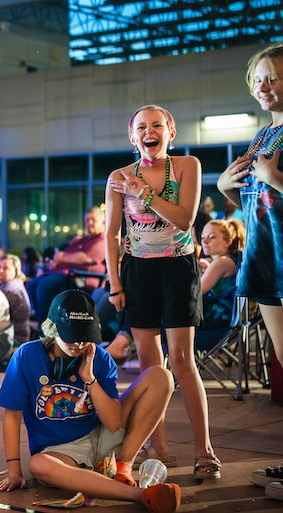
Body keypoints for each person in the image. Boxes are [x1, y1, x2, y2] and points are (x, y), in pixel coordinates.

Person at [105, 104, 220, 481]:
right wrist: (115, 284)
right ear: (132, 136)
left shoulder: (187, 165)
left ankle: (204, 450)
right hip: (137, 272)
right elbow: (111, 234)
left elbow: (185, 218)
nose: (149, 131)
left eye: (157, 125)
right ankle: (157, 446)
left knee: (183, 362)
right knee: (152, 368)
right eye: (141, 126)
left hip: (177, 268)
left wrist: (144, 193)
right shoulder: (119, 176)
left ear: (171, 132)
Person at [0, 290, 181, 513]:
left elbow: (113, 423)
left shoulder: (99, 358)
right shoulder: (27, 356)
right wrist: (14, 471)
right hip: (61, 451)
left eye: (86, 336)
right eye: (71, 336)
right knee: (38, 465)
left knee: (160, 376)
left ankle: (123, 466)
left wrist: (89, 379)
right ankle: (140, 495)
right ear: (52, 329)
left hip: (103, 434)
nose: (79, 344)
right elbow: (12, 417)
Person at [216, 44, 283, 499]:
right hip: (265, 255)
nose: (263, 86)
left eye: (274, 77)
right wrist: (223, 187)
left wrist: (273, 178)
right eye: (258, 78)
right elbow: (251, 199)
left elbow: (272, 187)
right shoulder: (263, 137)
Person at [27, 206, 106, 324]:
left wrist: (62, 257)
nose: (89, 223)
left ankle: (45, 326)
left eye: (93, 220)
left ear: (103, 222)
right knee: (33, 284)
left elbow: (86, 258)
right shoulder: (83, 239)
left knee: (44, 285)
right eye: (87, 220)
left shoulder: (101, 240)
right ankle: (41, 321)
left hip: (81, 278)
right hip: (66, 274)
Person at [197, 219, 245, 331]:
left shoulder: (222, 262)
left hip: (215, 320)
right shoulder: (231, 259)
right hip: (224, 319)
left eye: (212, 237)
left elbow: (196, 292)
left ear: (228, 241)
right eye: (203, 237)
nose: (205, 241)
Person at [0, 253, 31, 344]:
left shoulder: (10, 290)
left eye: (6, 268)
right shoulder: (14, 283)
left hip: (14, 340)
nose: (0, 270)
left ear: (16, 271)